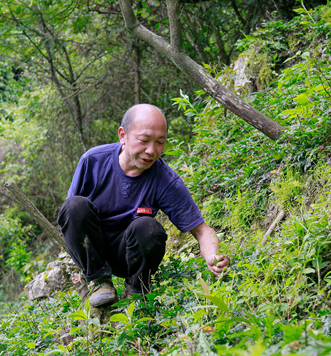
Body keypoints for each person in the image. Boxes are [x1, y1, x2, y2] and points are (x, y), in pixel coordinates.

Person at [57, 104, 229, 307]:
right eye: (144, 140)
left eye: (160, 142)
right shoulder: (92, 161)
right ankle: (98, 282)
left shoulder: (165, 179)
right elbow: (70, 218)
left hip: (130, 255)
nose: (151, 151)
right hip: (92, 250)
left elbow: (202, 230)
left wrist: (213, 256)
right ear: (123, 135)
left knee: (148, 227)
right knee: (74, 205)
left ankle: (137, 290)